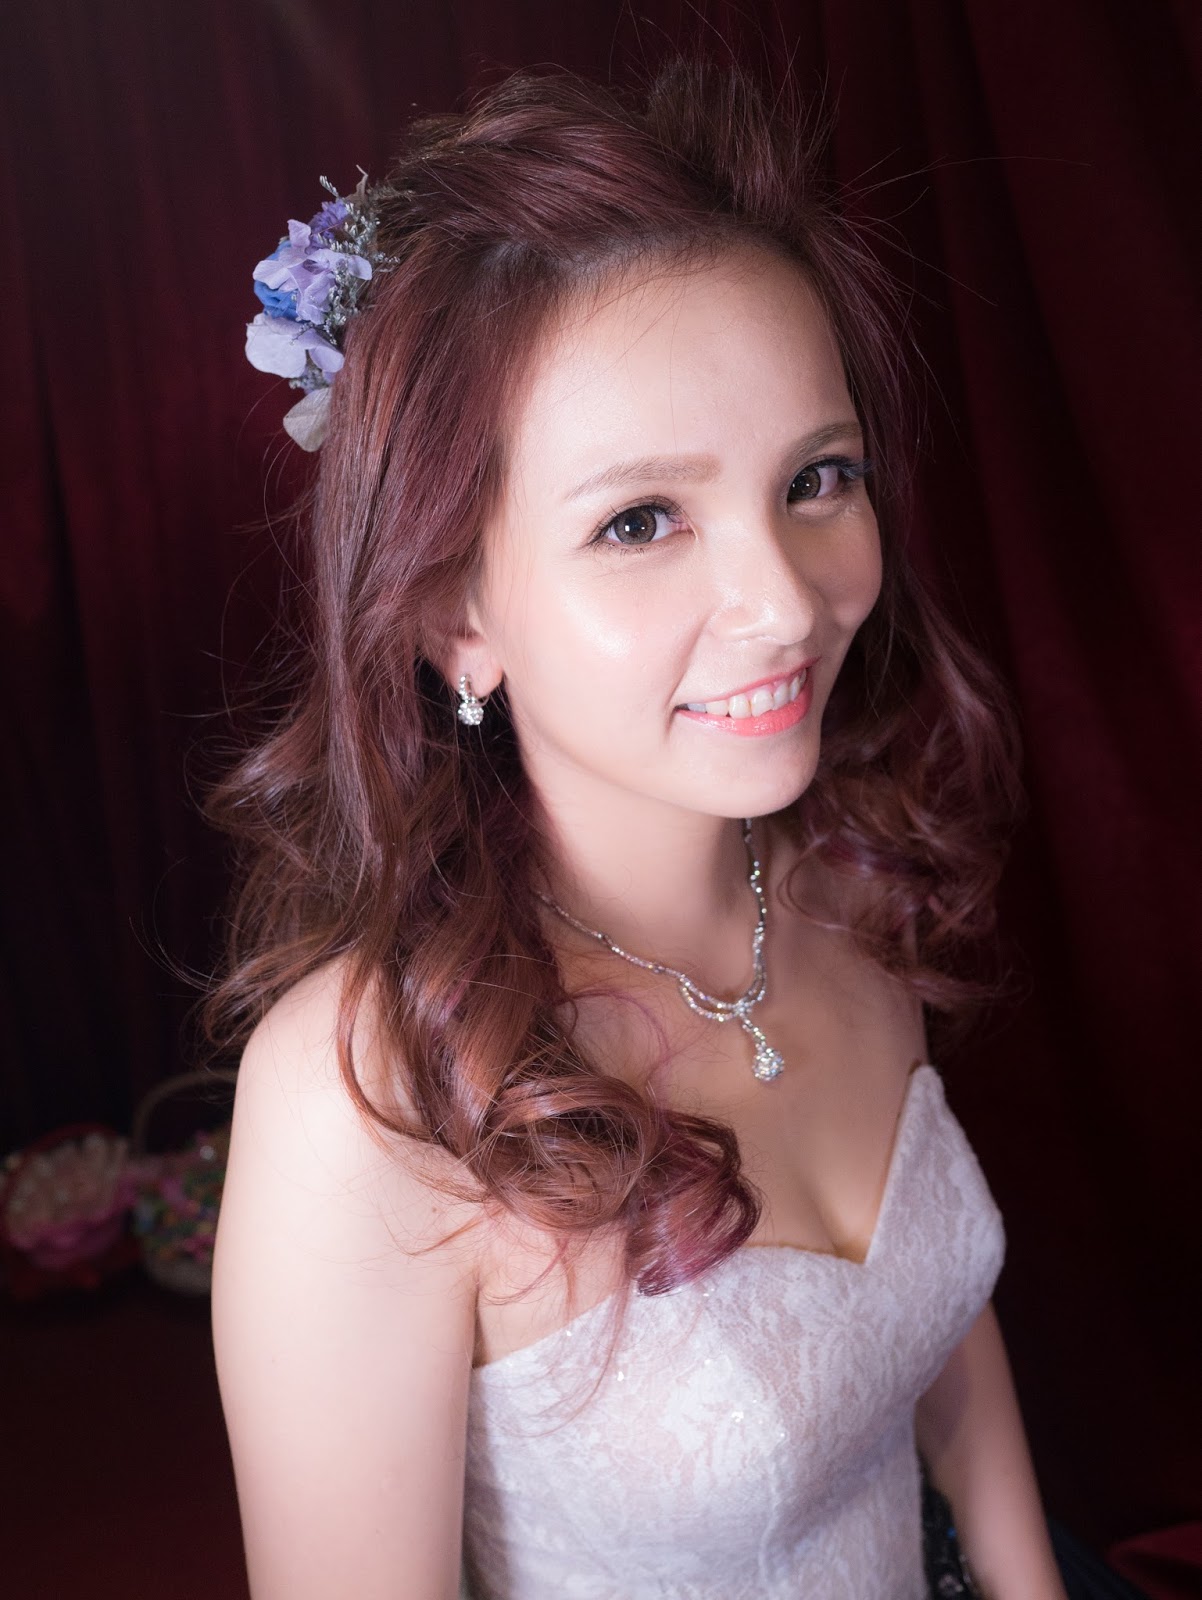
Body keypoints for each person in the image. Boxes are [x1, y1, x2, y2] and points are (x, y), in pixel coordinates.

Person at [208, 56, 1072, 1600]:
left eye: (816, 478)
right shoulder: (363, 1105)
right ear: (454, 615)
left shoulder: (842, 889)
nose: (783, 600)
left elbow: (933, 1346)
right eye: (639, 520)